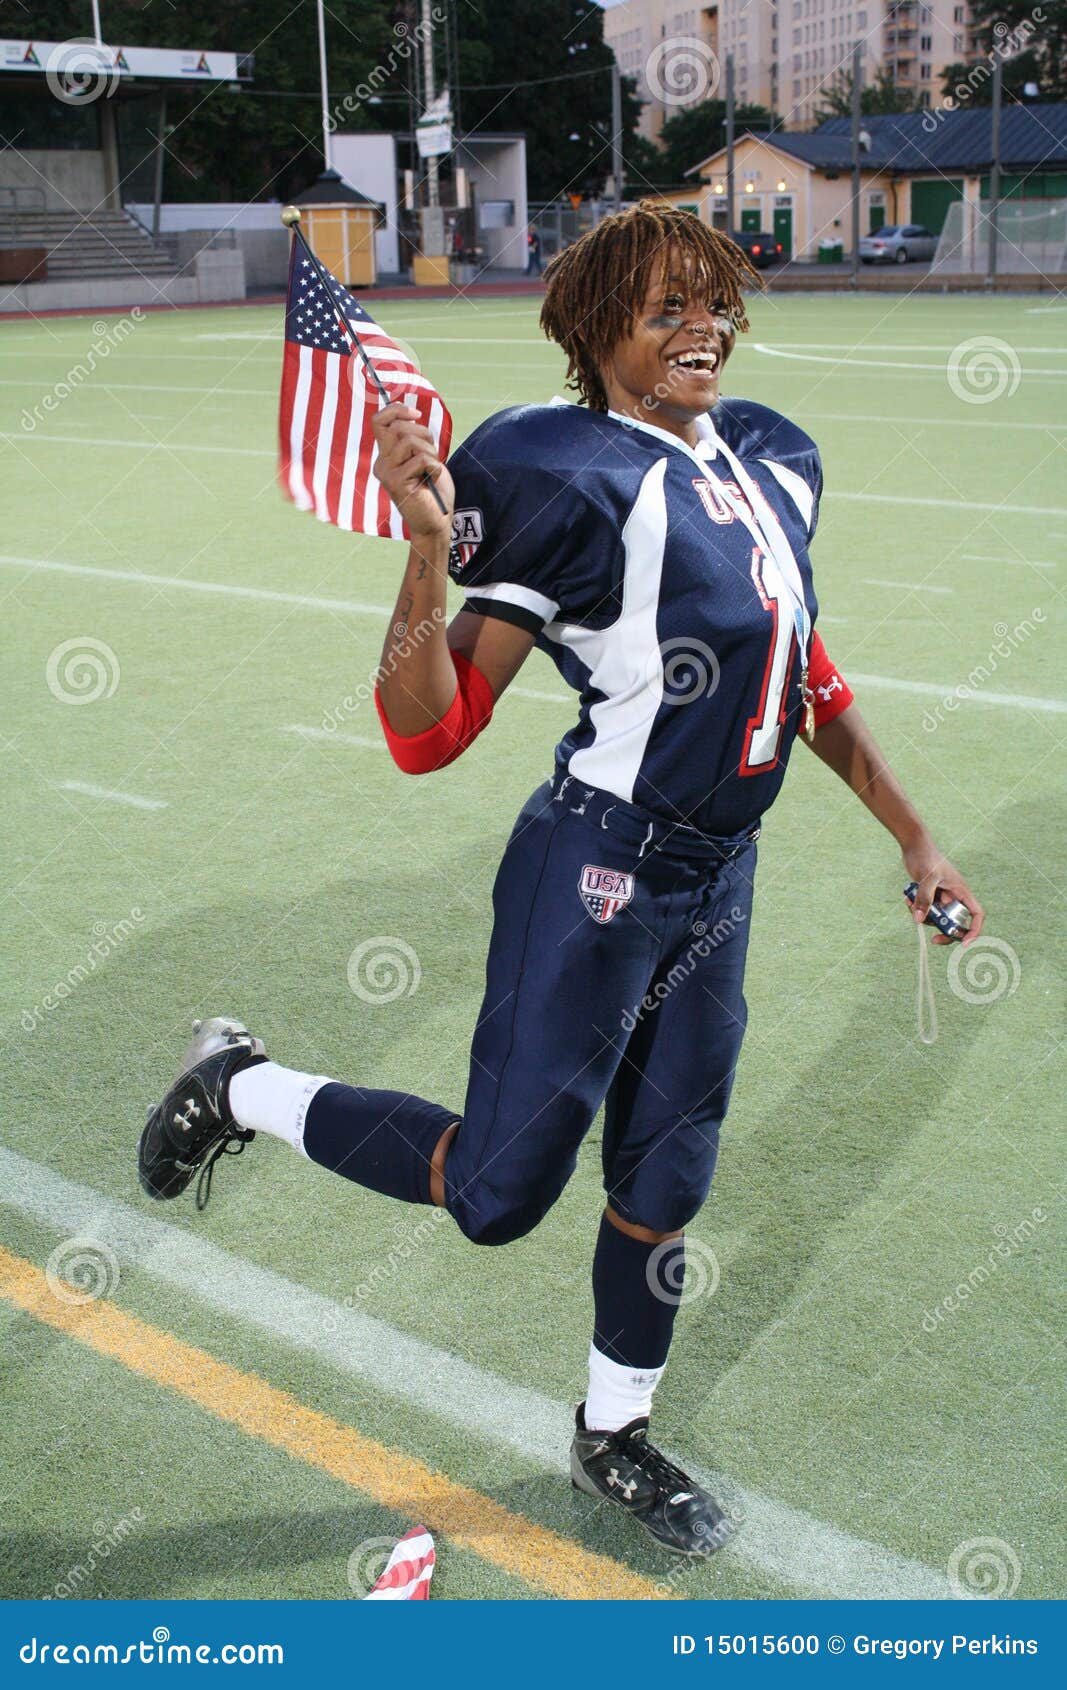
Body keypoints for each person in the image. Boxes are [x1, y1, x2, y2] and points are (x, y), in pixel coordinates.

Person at [138, 202, 983, 1559]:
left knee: (669, 1175)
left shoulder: (767, 460)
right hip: (598, 864)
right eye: (665, 306)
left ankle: (614, 1431)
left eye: (713, 299)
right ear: (598, 332)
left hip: (720, 875)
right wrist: (425, 550)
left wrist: (914, 833)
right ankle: (236, 1081)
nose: (701, 324)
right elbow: (427, 728)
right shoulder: (554, 469)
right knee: (497, 1191)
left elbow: (805, 676)